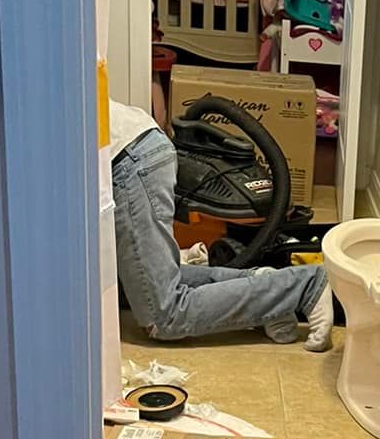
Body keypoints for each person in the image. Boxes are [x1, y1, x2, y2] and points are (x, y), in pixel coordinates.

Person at [110, 99, 334, 348]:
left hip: (128, 159)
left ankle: (303, 286)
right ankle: (264, 289)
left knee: (163, 314)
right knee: (127, 284)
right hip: (135, 143)